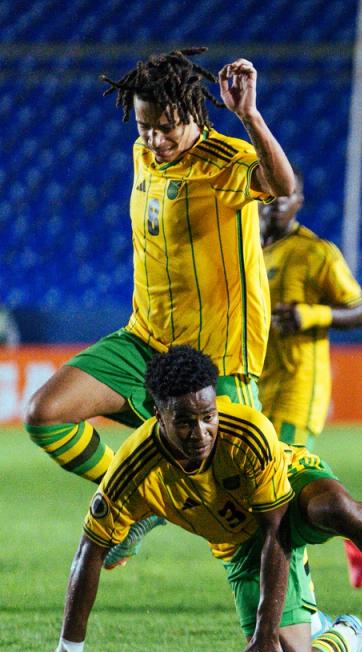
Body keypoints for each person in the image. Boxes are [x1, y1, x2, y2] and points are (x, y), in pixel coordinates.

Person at [21, 346, 362, 652]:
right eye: (185, 421)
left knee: (338, 510)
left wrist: (265, 632)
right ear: (156, 412)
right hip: (241, 548)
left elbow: (278, 530)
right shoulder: (132, 470)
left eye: (208, 416)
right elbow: (91, 553)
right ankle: (348, 635)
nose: (202, 432)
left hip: (287, 499)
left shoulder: (247, 431)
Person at [23, 48, 296, 567]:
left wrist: (250, 116)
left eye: (167, 127)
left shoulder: (227, 162)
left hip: (215, 362)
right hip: (142, 342)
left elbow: (283, 185)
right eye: (146, 126)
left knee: (252, 523)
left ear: (194, 115)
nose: (155, 138)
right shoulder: (143, 154)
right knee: (45, 414)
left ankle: (320, 628)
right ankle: (136, 503)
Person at [259, 167, 362, 589]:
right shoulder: (245, 249)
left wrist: (312, 314)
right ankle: (357, 530)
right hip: (254, 382)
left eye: (283, 196)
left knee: (283, 484)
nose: (272, 203)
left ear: (298, 201)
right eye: (266, 194)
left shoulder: (316, 252)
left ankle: (295, 584)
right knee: (277, 478)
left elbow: (360, 310)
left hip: (296, 385)